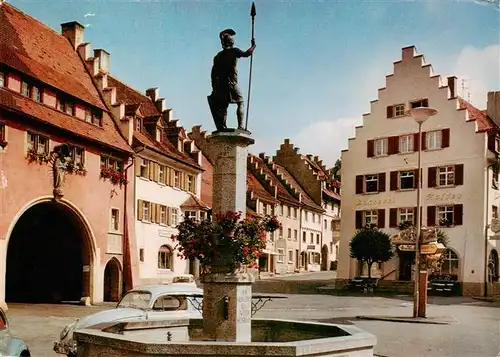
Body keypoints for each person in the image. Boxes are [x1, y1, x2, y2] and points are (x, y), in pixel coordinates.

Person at [208, 28, 256, 131]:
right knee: (240, 102)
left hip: (220, 86)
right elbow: (247, 54)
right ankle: (241, 126)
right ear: (231, 42)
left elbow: (213, 74)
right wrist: (253, 46)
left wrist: (214, 87)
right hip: (231, 84)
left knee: (223, 107)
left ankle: (223, 126)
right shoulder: (234, 51)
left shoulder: (217, 57)